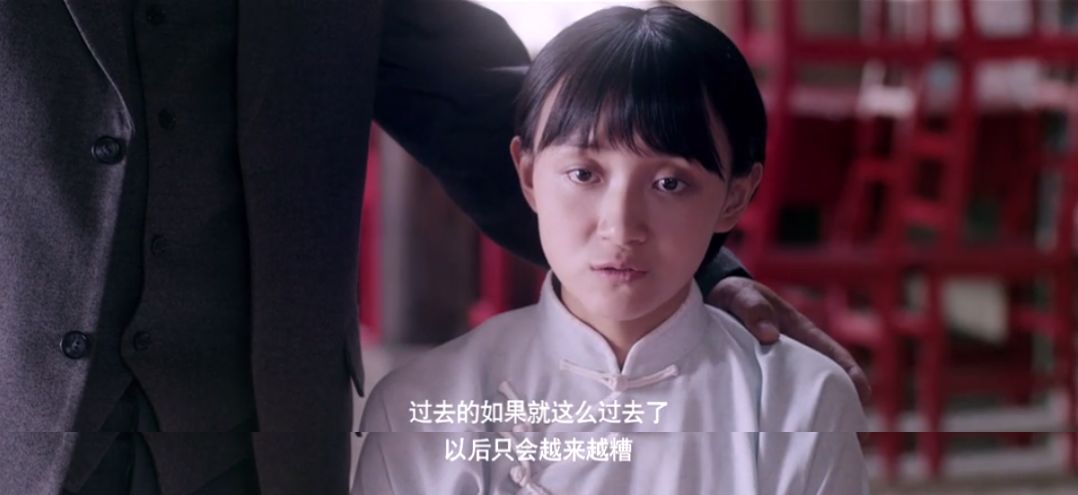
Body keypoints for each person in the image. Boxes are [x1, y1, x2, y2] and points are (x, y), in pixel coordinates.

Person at [0, 1, 867, 494]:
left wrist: (705, 263)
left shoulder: (795, 407)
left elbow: (503, 106)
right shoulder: (431, 409)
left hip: (256, 415)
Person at [354, 6, 868, 495]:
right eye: (584, 174)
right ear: (527, 174)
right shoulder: (421, 407)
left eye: (669, 183)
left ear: (735, 196)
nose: (620, 228)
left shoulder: (801, 403)